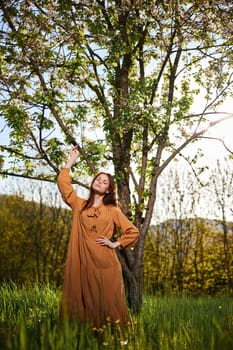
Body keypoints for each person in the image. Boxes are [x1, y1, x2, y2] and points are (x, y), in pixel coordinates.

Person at [57, 146, 139, 330]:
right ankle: (88, 334)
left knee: (108, 301)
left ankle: (115, 335)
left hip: (106, 263)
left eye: (104, 182)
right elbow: (64, 186)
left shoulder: (113, 211)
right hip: (83, 262)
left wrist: (116, 243)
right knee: (83, 298)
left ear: (109, 190)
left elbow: (132, 232)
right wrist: (71, 161)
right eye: (98, 179)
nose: (100, 182)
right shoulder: (80, 205)